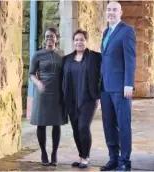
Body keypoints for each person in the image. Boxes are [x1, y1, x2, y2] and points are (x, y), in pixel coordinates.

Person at [100, 2, 136, 171]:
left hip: (121, 87)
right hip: (105, 88)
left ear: (121, 12)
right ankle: (113, 158)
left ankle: (124, 162)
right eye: (109, 9)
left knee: (123, 124)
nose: (111, 12)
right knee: (108, 124)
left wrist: (129, 84)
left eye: (114, 9)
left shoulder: (127, 31)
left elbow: (130, 59)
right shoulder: (106, 32)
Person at [62, 29, 101, 168]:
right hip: (71, 99)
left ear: (86, 41)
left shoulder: (95, 57)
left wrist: (99, 94)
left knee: (83, 127)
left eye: (82, 39)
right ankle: (81, 156)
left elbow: (102, 75)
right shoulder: (66, 59)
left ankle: (86, 158)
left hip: (88, 98)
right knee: (75, 129)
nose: (79, 42)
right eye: (76, 40)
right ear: (74, 42)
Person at [29, 28, 67, 166]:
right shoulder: (37, 55)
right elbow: (32, 74)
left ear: (56, 38)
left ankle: (54, 154)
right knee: (42, 123)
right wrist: (38, 83)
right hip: (42, 93)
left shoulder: (62, 55)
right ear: (44, 39)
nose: (49, 39)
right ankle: (44, 152)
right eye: (47, 36)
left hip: (57, 93)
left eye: (52, 36)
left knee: (56, 124)